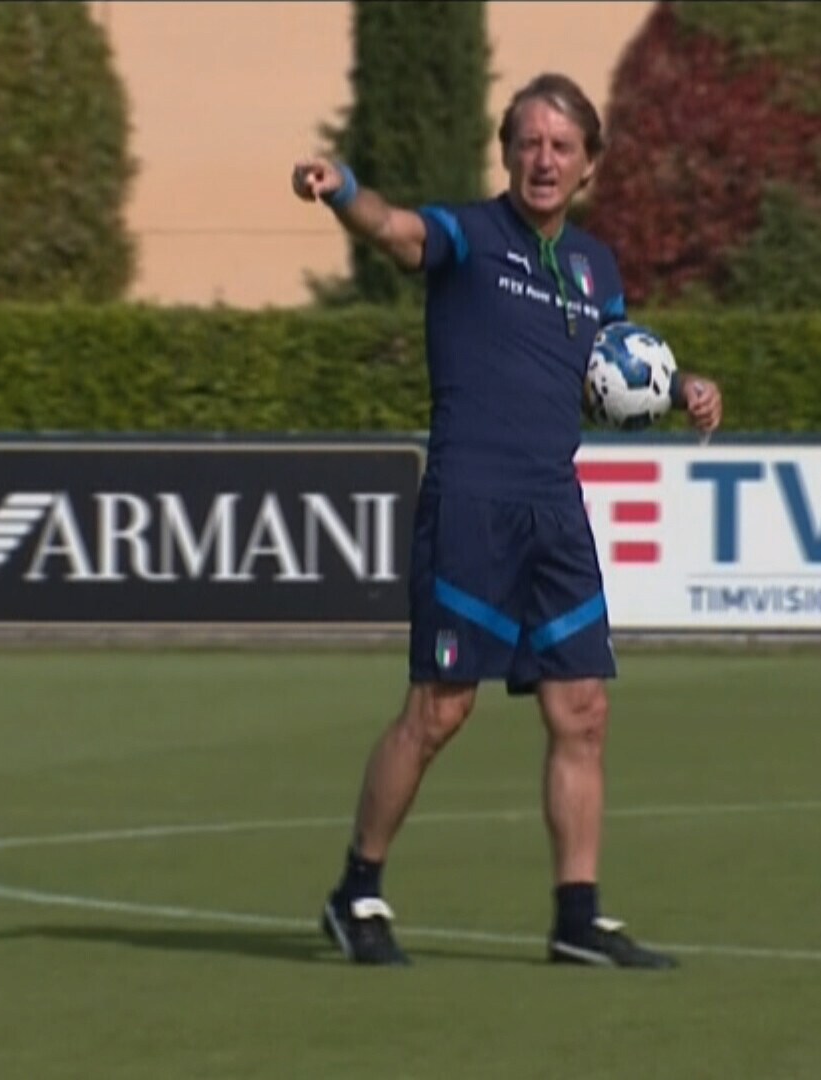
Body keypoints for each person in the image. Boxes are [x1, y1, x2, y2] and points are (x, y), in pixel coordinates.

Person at [291, 72, 724, 969]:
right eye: (529, 142)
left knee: (584, 710)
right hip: (471, 507)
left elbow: (615, 367)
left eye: (563, 147)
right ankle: (357, 891)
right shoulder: (469, 235)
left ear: (589, 164)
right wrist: (344, 193)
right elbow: (397, 230)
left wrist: (680, 389)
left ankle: (578, 918)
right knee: (439, 711)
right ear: (507, 151)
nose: (544, 160)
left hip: (554, 512)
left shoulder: (598, 267)